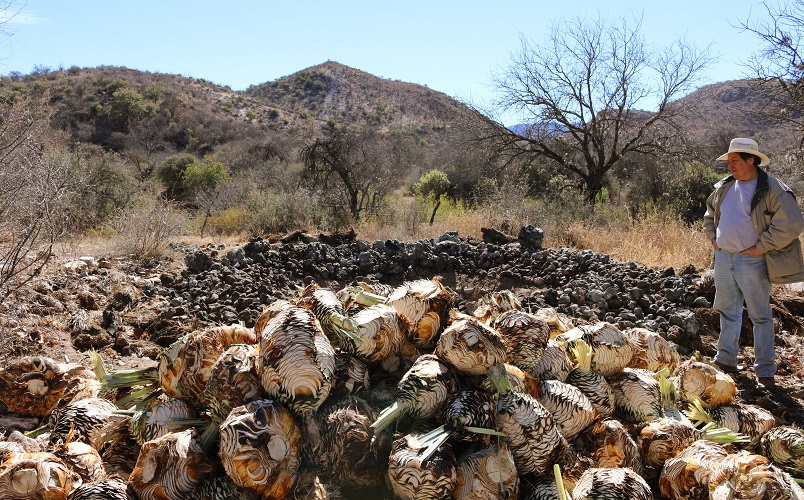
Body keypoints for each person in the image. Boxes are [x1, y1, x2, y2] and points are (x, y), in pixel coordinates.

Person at [703, 138, 804, 391]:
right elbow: (709, 212)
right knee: (728, 311)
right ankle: (725, 360)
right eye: (728, 161)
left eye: (735, 160)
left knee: (761, 316)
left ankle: (766, 372)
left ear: (751, 160)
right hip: (724, 257)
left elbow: (792, 224)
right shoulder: (724, 186)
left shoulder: (772, 188)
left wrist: (761, 248)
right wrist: (713, 237)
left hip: (753, 260)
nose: (730, 166)